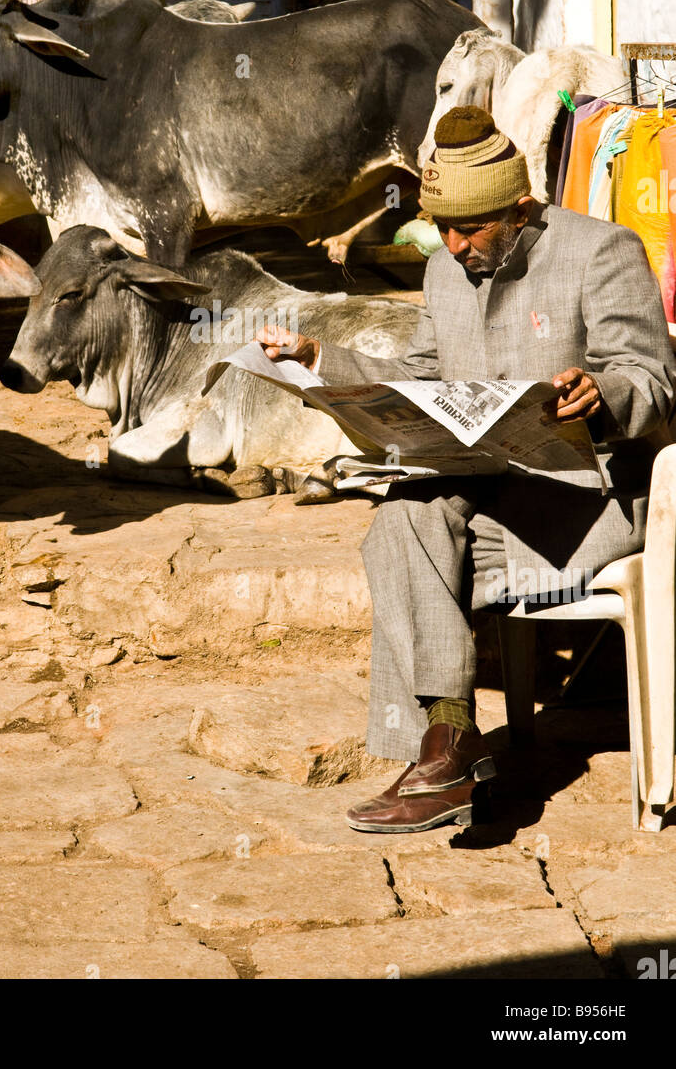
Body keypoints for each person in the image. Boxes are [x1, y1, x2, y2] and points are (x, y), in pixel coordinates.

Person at [256, 105, 676, 834]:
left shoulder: (601, 250)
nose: (452, 245)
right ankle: (447, 747)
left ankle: (443, 750)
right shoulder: (446, 271)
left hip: (588, 498)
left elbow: (654, 379)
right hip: (485, 490)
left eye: (470, 229)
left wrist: (599, 394)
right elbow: (421, 378)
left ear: (521, 208)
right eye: (440, 228)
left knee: (401, 548)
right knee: (402, 515)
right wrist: (320, 361)